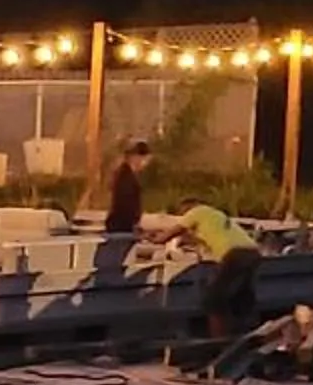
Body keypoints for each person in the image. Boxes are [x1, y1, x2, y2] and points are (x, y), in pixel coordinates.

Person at [148, 196, 263, 338]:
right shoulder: (216, 214)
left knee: (213, 300)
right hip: (253, 253)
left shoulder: (196, 212)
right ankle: (248, 335)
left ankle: (219, 341)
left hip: (235, 254)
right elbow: (209, 237)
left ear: (189, 207)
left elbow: (170, 234)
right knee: (241, 297)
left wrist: (151, 237)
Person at [103, 138, 152, 234]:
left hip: (121, 225)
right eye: (146, 160)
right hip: (122, 227)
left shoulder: (125, 175)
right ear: (137, 157)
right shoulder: (126, 178)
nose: (145, 164)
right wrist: (133, 223)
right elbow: (126, 205)